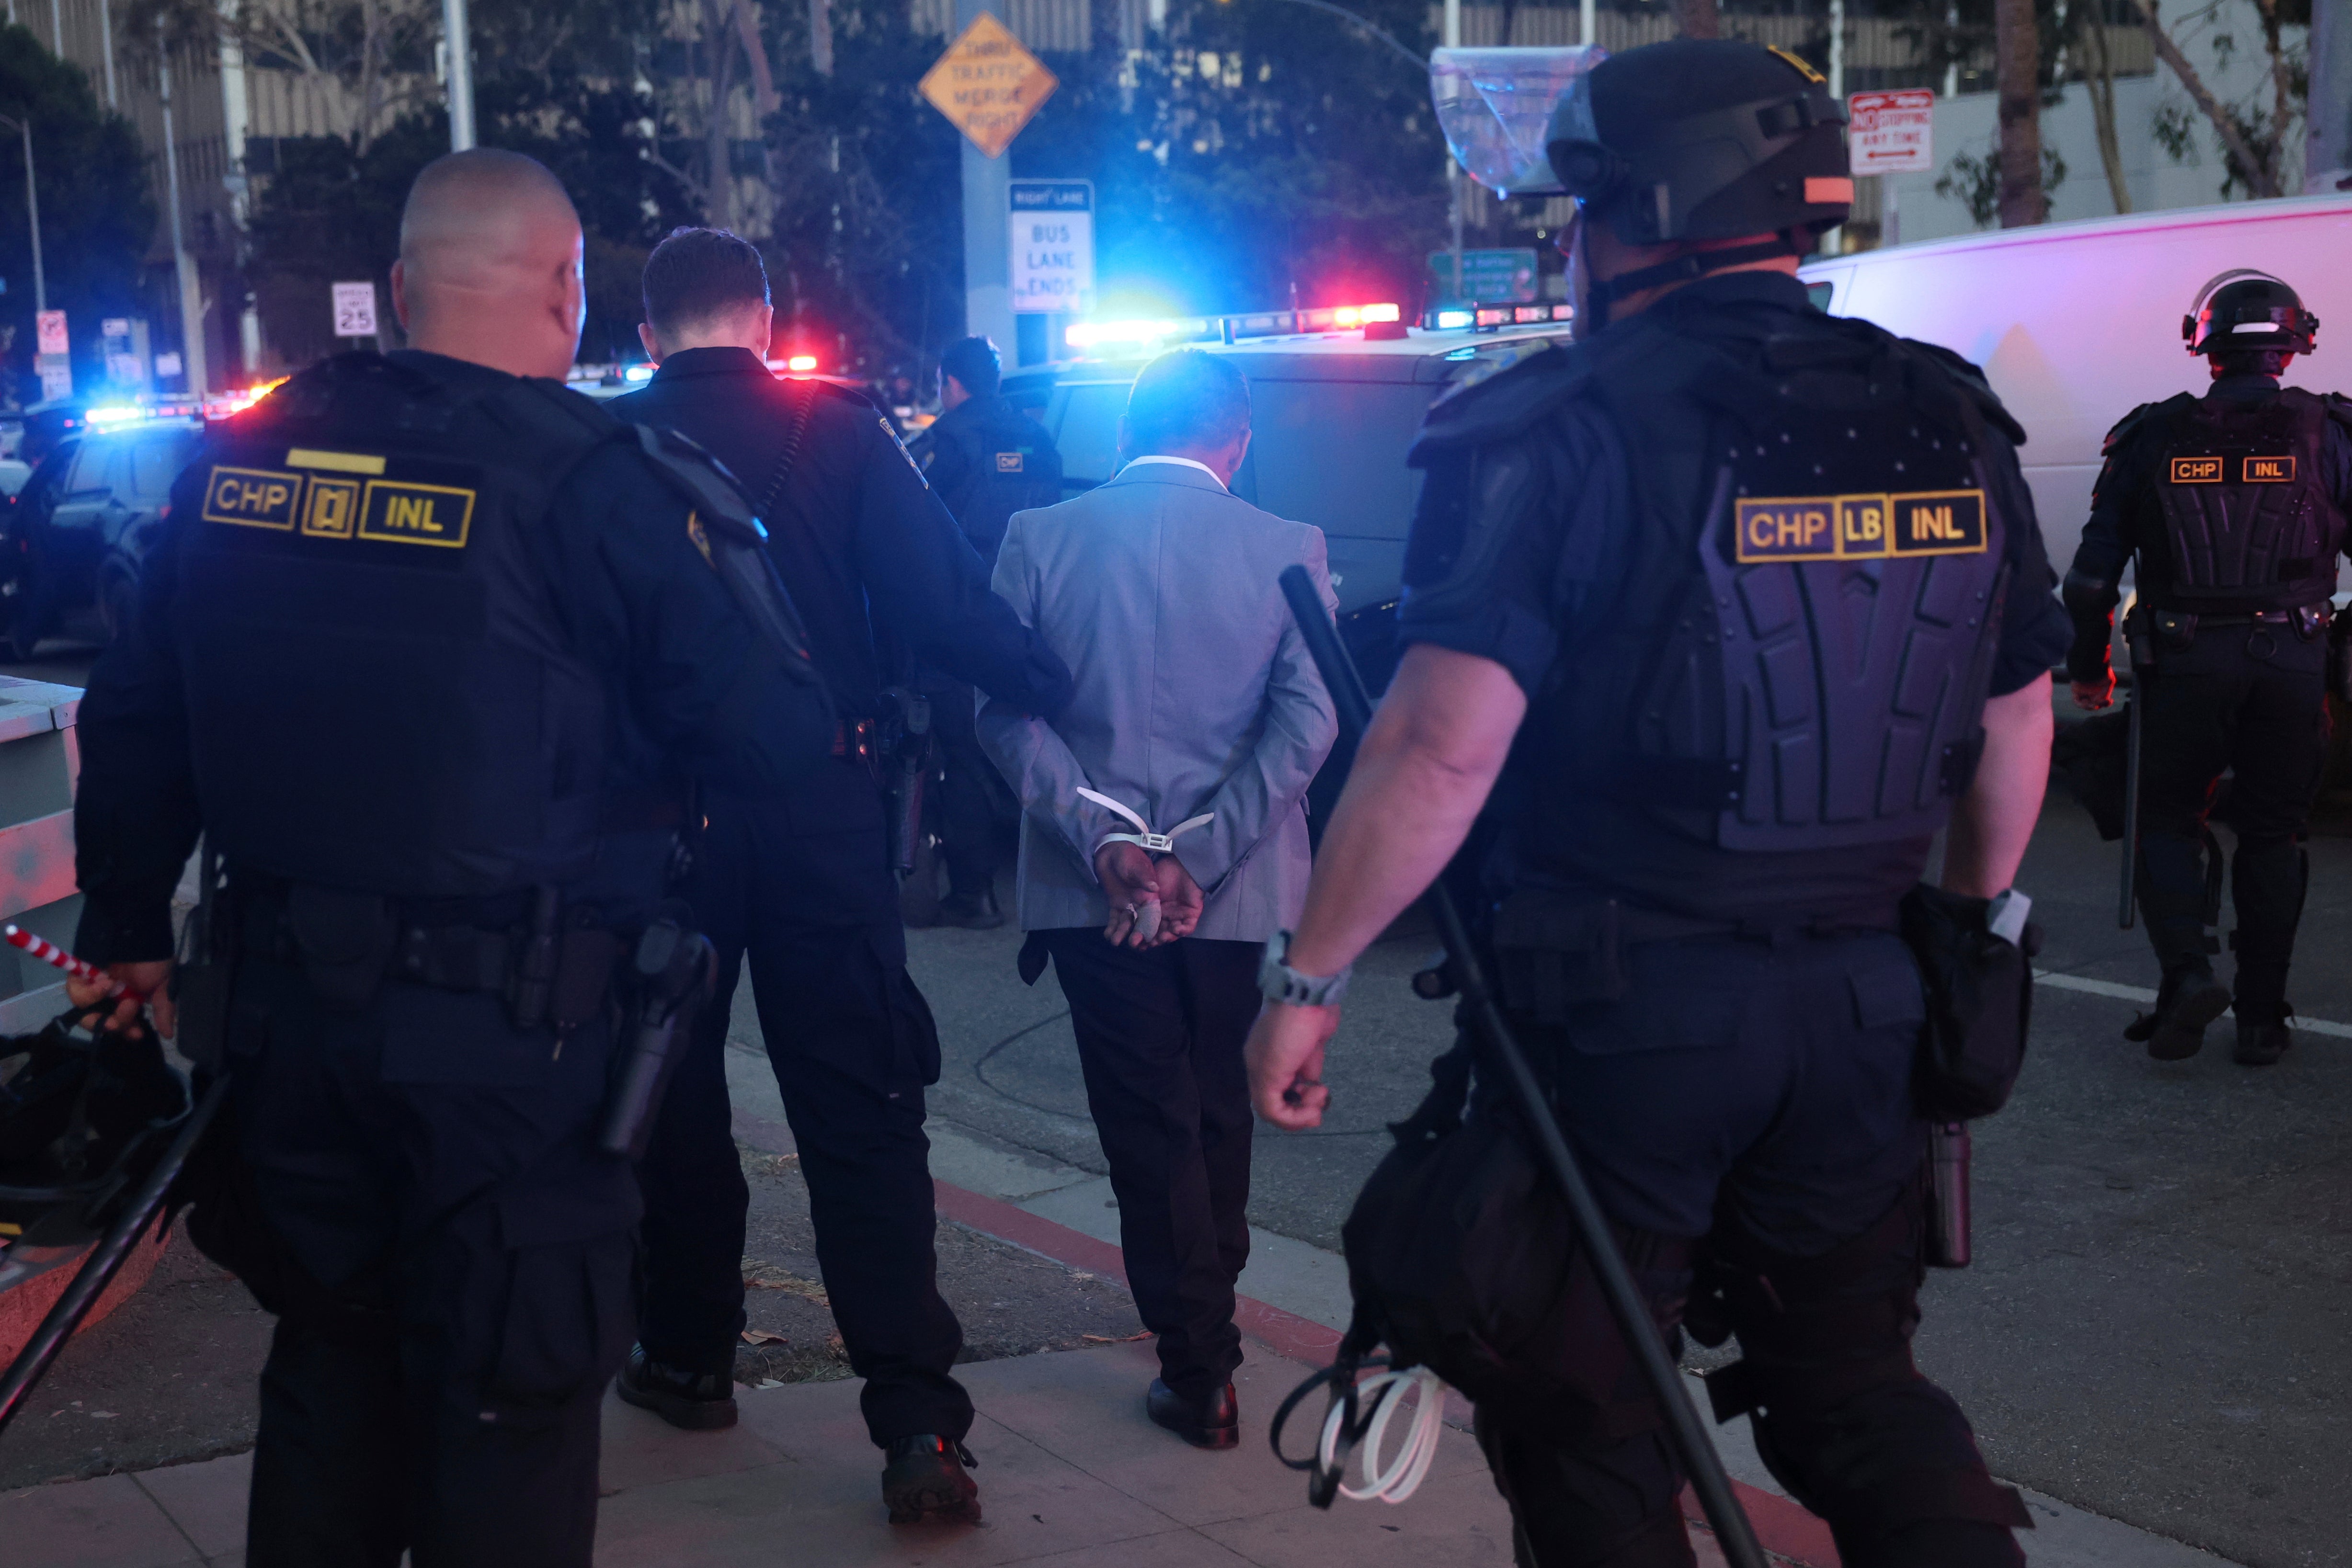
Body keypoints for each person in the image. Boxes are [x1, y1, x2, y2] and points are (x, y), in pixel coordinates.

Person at [1245, 40, 2070, 1568]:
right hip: (1867, 1008)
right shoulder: (1943, 414)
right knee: (1852, 1386)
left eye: (1583, 209)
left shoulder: (1556, 426)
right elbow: (2016, 714)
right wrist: (1960, 932)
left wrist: (1309, 974)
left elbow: (1436, 746)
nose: (1569, 242)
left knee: (1587, 1406)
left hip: (1625, 1014)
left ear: (1645, 208)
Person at [66, 150, 833, 1567]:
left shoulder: (240, 453)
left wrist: (122, 917)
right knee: (508, 1400)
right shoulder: (605, 480)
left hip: (282, 1027)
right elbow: (779, 737)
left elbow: (136, 710)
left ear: (404, 290)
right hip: (511, 1045)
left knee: (327, 1366)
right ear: (569, 287)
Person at [608, 228, 1073, 1525]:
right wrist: (1051, 683)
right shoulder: (842, 432)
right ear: (765, 318)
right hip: (823, 809)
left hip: (658, 831)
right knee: (862, 1105)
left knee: (668, 1099)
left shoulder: (601, 453)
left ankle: (689, 1355)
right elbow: (943, 602)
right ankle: (916, 1424)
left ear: (648, 336)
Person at [979, 348, 1336, 1449]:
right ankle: (1207, 1322)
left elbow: (1002, 714)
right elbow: (1308, 725)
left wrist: (1109, 842)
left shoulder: (1040, 535)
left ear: (1127, 427)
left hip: (1098, 893)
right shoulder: (1289, 546)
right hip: (1240, 891)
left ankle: (1198, 1354)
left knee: (1149, 1114)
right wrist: (1203, 851)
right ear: (1236, 437)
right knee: (1220, 1106)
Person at [2064, 272, 2352, 1066]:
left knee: (2166, 816)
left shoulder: (2150, 435)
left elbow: (2089, 580)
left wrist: (2089, 667)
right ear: (2297, 339)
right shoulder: (2331, 431)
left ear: (2204, 340)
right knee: (2275, 828)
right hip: (2293, 660)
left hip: (2184, 660)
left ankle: (2187, 975)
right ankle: (2262, 1019)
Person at [908, 335, 1067, 928]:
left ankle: (974, 891)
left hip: (961, 617)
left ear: (950, 382)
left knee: (963, 754)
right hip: (1029, 619)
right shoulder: (1038, 439)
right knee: (1023, 745)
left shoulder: (944, 441)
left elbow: (912, 529)